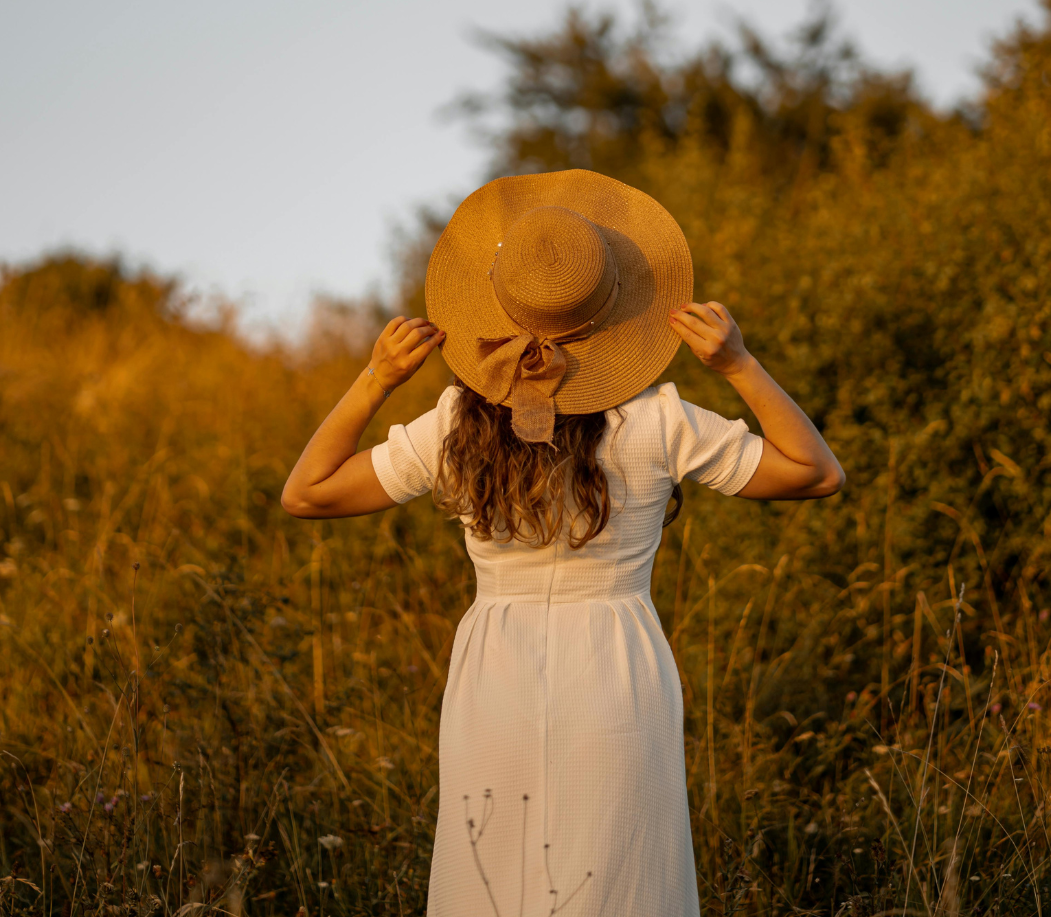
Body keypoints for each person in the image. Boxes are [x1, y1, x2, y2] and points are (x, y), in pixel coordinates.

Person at [282, 169, 844, 917]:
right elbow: (815, 472)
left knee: (494, 876)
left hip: (495, 668)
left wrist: (374, 380)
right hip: (617, 662)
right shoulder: (658, 420)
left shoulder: (455, 422)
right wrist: (737, 363)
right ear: (611, 315)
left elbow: (306, 493)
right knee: (617, 872)